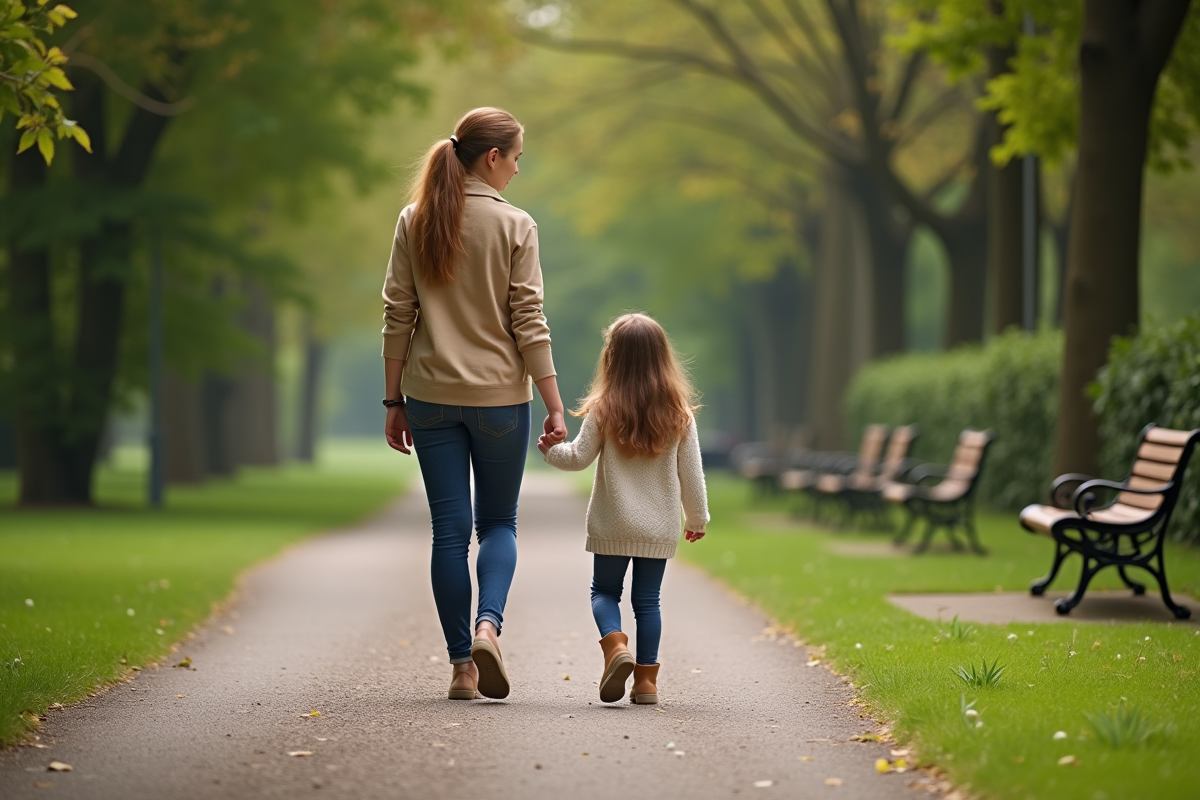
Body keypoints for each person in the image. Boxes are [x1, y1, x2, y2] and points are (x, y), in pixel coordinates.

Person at [381, 107, 567, 701]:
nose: (517, 169)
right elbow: (529, 320)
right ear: (492, 158)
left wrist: (392, 399)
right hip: (500, 402)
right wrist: (554, 404)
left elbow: (397, 314)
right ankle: (489, 626)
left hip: (429, 397)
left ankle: (462, 667)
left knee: (449, 532)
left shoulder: (415, 219)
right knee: (498, 524)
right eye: (516, 158)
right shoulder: (516, 225)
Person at [537, 313, 709, 705]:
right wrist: (697, 518)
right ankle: (646, 683)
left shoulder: (603, 408)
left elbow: (578, 458)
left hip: (612, 521)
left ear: (612, 357)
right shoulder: (679, 413)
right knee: (648, 602)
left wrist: (551, 451)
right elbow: (692, 474)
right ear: (662, 357)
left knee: (604, 592)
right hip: (659, 527)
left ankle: (615, 646)